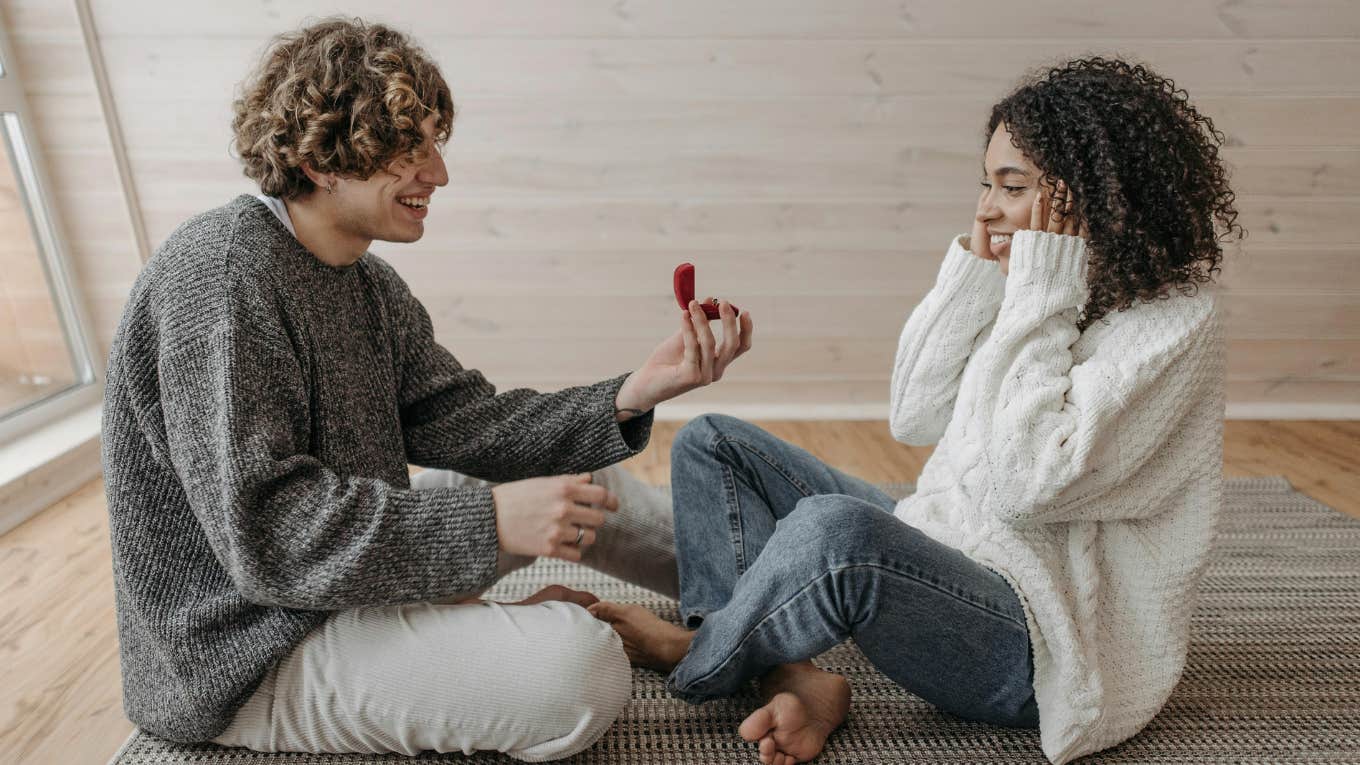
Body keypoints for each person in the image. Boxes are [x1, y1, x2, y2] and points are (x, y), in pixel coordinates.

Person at [100, 17, 753, 762]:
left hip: (342, 590)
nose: (438, 173)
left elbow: (468, 424)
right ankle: (526, 627)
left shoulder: (369, 285)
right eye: (409, 148)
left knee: (573, 480)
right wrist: (489, 523)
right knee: (581, 666)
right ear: (322, 159)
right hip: (253, 654)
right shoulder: (218, 278)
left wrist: (634, 391)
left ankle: (756, 606)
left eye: (433, 144)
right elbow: (271, 535)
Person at [590, 57, 1243, 765]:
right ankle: (788, 671)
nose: (987, 207)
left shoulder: (1171, 326)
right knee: (712, 441)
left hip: (1038, 647)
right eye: (984, 184)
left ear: (1092, 201)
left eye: (1012, 187)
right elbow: (914, 413)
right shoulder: (1034, 286)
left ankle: (703, 656)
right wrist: (976, 269)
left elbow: (1031, 486)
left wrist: (1039, 291)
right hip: (949, 545)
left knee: (833, 532)